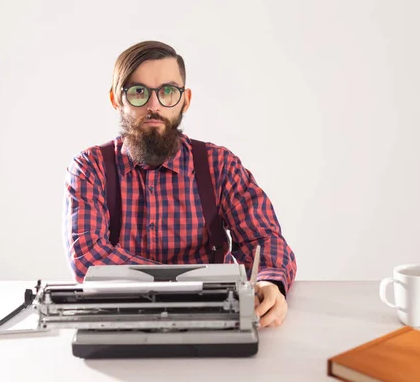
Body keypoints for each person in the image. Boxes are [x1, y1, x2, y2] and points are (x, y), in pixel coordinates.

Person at [62, 40, 297, 328]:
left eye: (168, 92)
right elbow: (87, 256)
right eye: (138, 92)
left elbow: (264, 239)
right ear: (116, 100)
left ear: (185, 99)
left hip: (212, 320)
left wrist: (270, 283)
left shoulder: (219, 165)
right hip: (121, 322)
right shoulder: (90, 169)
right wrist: (189, 284)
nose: (154, 105)